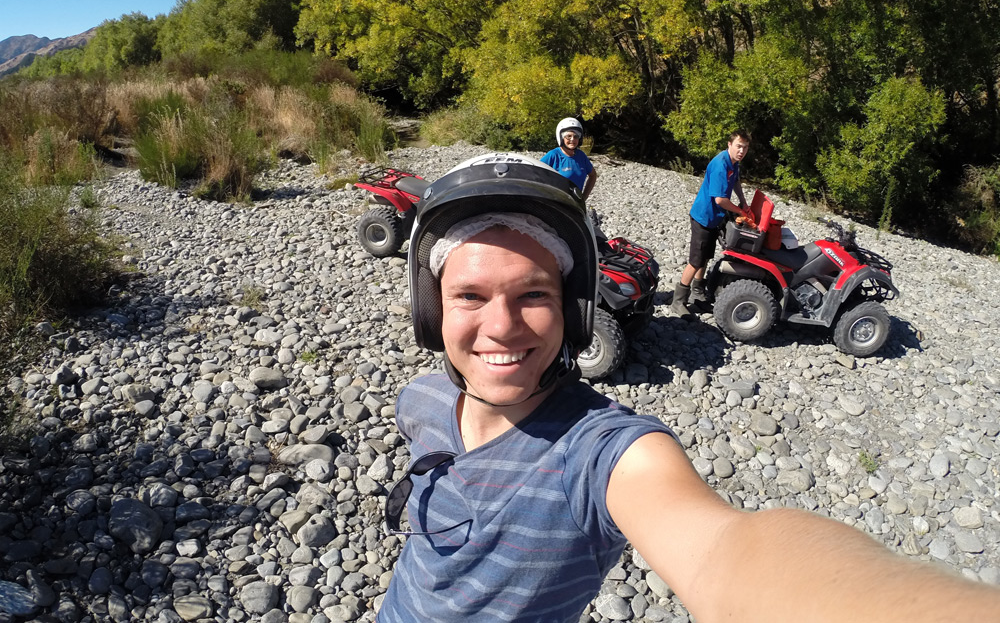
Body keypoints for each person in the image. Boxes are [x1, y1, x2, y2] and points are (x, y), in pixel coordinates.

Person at [376, 153, 1000, 623]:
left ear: (574, 307)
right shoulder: (422, 402)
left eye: (534, 294)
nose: (502, 326)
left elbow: (726, 551)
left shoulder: (602, 455)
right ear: (432, 311)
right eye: (469, 296)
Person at [671, 130, 751, 319]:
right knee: (695, 260)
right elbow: (720, 200)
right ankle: (678, 301)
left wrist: (743, 200)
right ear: (729, 144)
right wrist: (740, 211)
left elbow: (736, 181)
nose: (742, 151)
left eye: (745, 147)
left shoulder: (734, 163)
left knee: (706, 256)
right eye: (739, 146)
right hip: (703, 217)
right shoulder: (720, 165)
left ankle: (697, 295)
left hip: (715, 218)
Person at [540, 116, 598, 200]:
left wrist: (583, 198)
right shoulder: (553, 155)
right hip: (556, 203)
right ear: (562, 138)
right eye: (568, 136)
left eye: (576, 136)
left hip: (574, 204)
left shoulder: (581, 156)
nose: (572, 139)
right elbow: (536, 172)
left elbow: (593, 175)